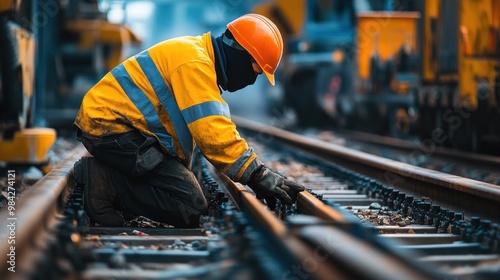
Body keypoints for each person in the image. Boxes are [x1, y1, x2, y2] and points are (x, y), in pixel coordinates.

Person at [73, 13, 305, 228]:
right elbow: (214, 136)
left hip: (120, 128)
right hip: (110, 128)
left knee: (177, 186)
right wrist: (257, 175)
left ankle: (110, 181)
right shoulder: (195, 64)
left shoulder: (198, 56)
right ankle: (104, 181)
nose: (253, 80)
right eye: (255, 71)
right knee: (190, 206)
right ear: (240, 54)